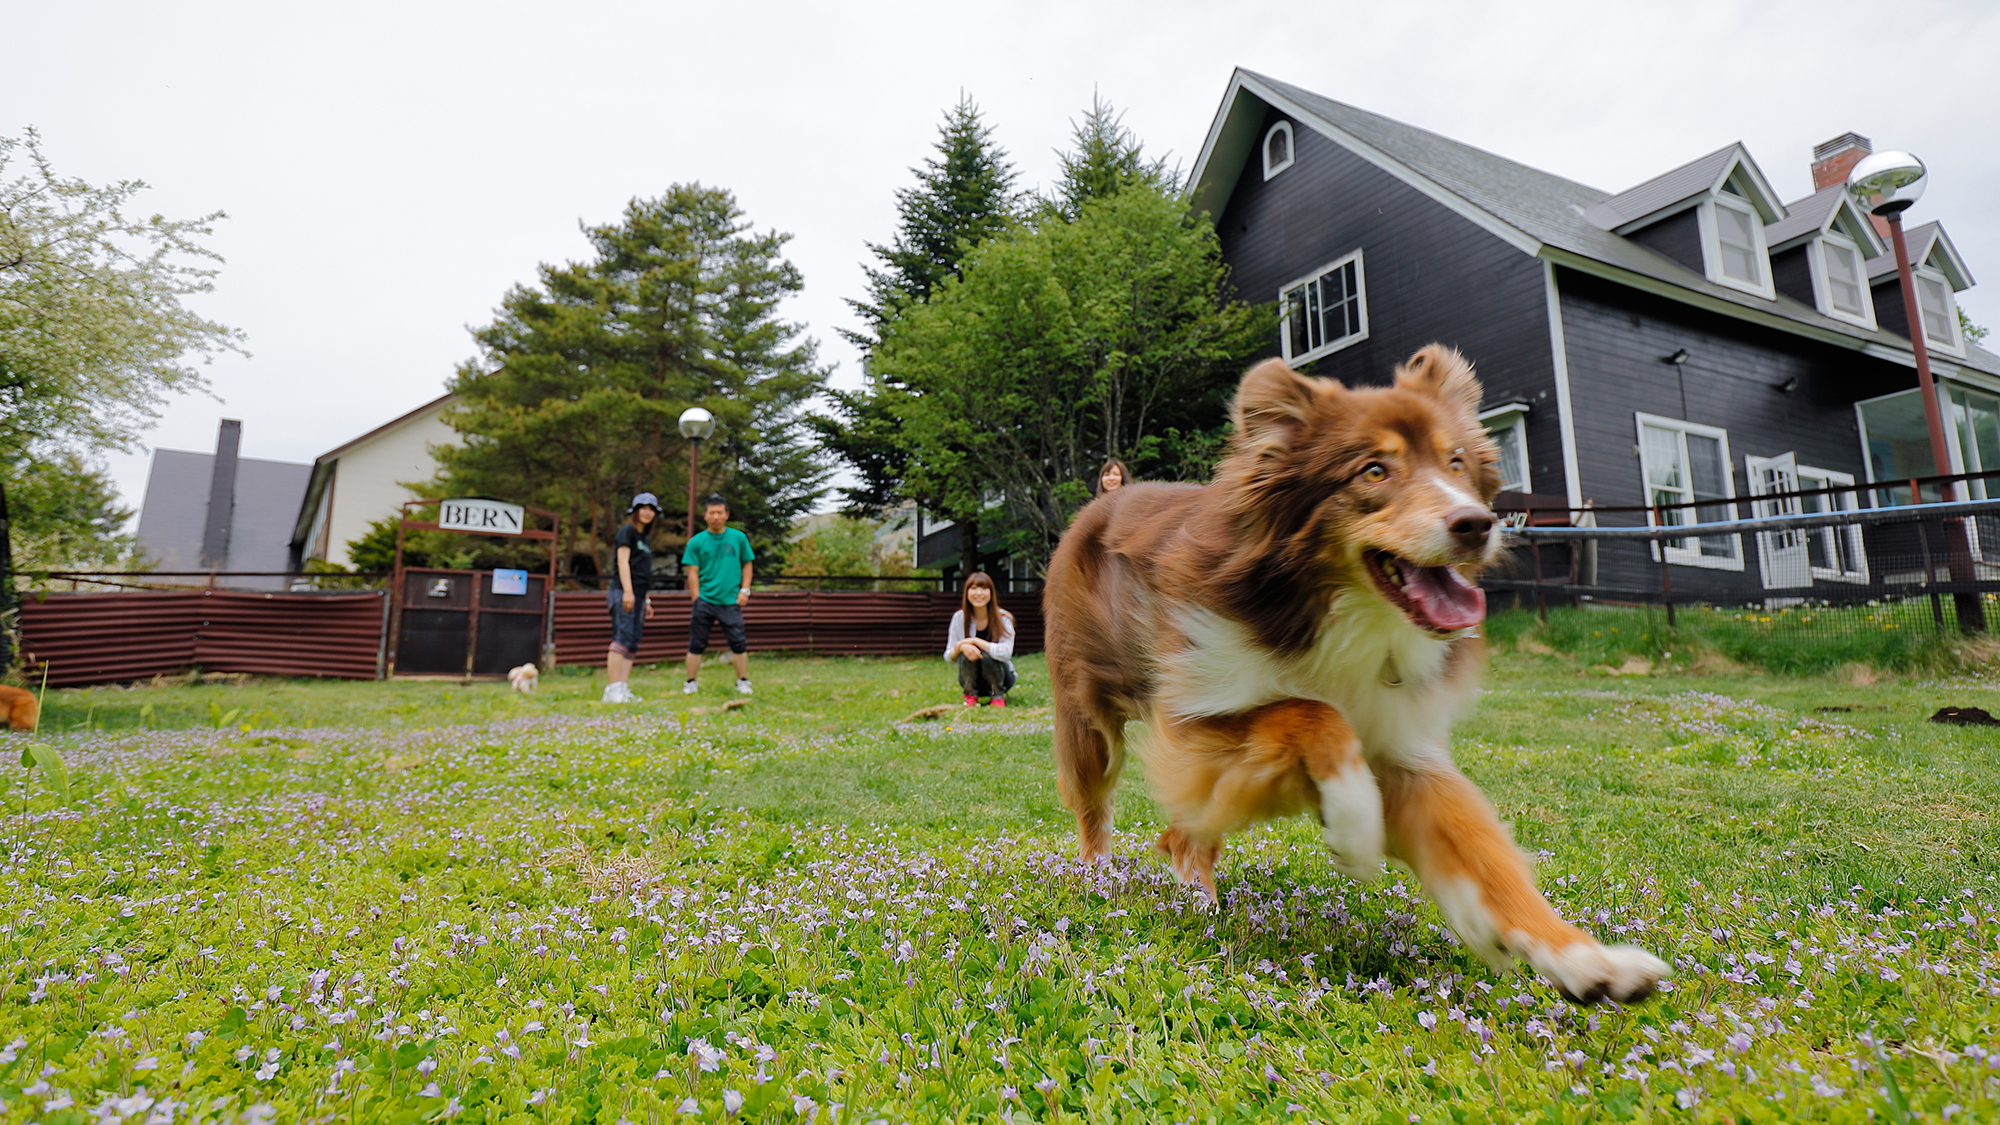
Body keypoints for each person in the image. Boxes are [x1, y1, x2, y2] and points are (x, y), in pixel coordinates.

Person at [681, 494, 756, 695]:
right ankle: (690, 682)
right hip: (704, 600)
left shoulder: (738, 538)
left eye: (719, 512)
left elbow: (747, 563)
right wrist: (696, 597)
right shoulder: (696, 542)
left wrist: (745, 590)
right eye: (711, 512)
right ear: (705, 515)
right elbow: (692, 571)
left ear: (726, 515)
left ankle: (742, 681)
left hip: (731, 600)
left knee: (738, 642)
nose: (715, 516)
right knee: (696, 643)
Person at [603, 493, 659, 704]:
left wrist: (645, 600)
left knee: (633, 643)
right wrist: (628, 591)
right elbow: (623, 562)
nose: (647, 512)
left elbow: (642, 571)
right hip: (623, 592)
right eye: (643, 508)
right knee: (622, 638)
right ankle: (612, 689)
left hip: (639, 595)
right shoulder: (627, 532)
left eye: (651, 509)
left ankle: (622, 688)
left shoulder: (644, 538)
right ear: (635, 511)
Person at [944, 571, 1016, 707]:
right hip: (972, 678)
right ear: (966, 593)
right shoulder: (959, 618)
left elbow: (1006, 652)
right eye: (974, 588)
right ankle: (971, 696)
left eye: (983, 588)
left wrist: (975, 641)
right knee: (966, 653)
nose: (978, 593)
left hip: (1002, 677)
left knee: (987, 655)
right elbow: (948, 656)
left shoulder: (1004, 618)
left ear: (991, 593)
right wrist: (961, 646)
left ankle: (997, 697)